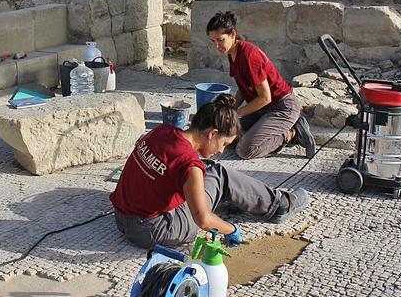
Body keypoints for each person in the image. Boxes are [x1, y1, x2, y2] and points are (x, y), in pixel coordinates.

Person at [110, 94, 309, 249]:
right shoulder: (190, 164)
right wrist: (231, 230)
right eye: (223, 143)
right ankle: (280, 206)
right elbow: (203, 220)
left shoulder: (162, 131)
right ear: (212, 133)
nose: (221, 150)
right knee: (220, 175)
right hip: (154, 230)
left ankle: (245, 200)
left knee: (210, 170)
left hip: (121, 218)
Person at [206, 11, 316, 160]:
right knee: (229, 135)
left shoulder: (249, 56)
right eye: (213, 41)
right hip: (261, 109)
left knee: (245, 150)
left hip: (281, 106)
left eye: (220, 40)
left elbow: (265, 98)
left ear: (233, 34)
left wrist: (237, 114)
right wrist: (229, 110)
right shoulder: (232, 53)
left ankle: (293, 133)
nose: (217, 46)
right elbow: (244, 88)